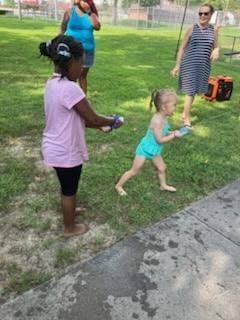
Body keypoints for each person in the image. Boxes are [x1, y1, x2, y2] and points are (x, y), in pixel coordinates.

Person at [39, 35, 123, 237]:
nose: (83, 68)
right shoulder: (71, 89)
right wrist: (112, 121)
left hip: (53, 147)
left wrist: (99, 127)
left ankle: (70, 209)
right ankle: (69, 228)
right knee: (69, 189)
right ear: (70, 62)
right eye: (81, 63)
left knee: (66, 186)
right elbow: (92, 118)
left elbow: (78, 118)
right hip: (66, 152)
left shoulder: (52, 84)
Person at [115, 89, 183, 196]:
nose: (176, 107)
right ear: (164, 107)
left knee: (162, 168)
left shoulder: (164, 118)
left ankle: (163, 185)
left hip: (154, 150)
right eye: (174, 105)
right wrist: (173, 136)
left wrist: (172, 132)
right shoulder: (157, 121)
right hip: (145, 149)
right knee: (134, 171)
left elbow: (163, 132)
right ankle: (118, 186)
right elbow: (159, 140)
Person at [171, 3, 220, 128]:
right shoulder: (191, 29)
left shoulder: (213, 30)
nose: (202, 16)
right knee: (191, 91)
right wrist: (177, 65)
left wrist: (216, 50)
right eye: (200, 13)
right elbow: (182, 48)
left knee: (195, 91)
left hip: (203, 66)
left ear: (211, 14)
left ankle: (184, 113)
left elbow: (216, 46)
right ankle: (186, 117)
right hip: (189, 65)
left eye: (206, 13)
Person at [60, 0, 100, 94]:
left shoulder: (91, 13)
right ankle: (69, 101)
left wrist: (89, 11)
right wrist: (58, 42)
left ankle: (82, 101)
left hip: (87, 50)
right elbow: (63, 28)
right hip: (71, 49)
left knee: (82, 77)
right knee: (70, 76)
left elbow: (97, 27)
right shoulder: (70, 11)